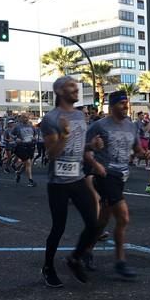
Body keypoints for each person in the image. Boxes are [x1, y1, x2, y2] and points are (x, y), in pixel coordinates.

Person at [38, 76, 101, 288]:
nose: (76, 90)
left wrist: (92, 145)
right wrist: (64, 136)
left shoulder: (80, 115)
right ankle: (48, 267)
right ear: (59, 91)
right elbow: (52, 153)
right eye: (71, 87)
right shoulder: (51, 119)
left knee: (94, 224)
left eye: (76, 87)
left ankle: (75, 258)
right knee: (59, 227)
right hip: (58, 182)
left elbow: (80, 148)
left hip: (78, 177)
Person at [86, 90, 150, 277]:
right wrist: (95, 164)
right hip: (106, 175)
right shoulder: (99, 126)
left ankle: (86, 250)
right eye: (121, 103)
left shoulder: (131, 126)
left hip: (122, 176)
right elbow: (84, 149)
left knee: (103, 219)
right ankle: (120, 261)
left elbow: (137, 149)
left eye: (127, 102)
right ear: (111, 105)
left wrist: (145, 154)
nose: (125, 106)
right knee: (123, 217)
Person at [12, 114, 37, 186]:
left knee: (27, 163)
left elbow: (35, 134)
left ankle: (19, 173)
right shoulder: (17, 127)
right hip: (21, 146)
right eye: (24, 117)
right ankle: (30, 180)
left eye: (27, 117)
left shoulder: (31, 126)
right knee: (28, 162)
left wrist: (34, 138)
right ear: (21, 119)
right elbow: (11, 134)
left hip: (30, 146)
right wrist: (16, 139)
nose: (26, 119)